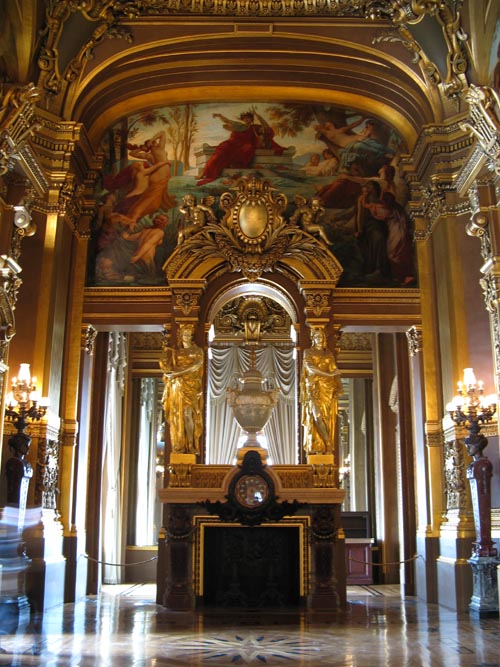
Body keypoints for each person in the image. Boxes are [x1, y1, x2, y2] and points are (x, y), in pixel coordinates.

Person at [197, 109, 285, 185]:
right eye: (245, 119)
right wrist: (219, 115)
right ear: (243, 119)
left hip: (242, 146)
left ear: (251, 120)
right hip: (232, 144)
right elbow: (228, 121)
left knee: (248, 148)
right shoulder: (239, 125)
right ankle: (204, 172)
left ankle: (229, 165)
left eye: (249, 118)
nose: (247, 120)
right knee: (220, 152)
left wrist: (258, 116)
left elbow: (266, 128)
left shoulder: (254, 128)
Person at [160, 324, 204, 455]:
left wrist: (178, 373)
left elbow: (196, 366)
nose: (187, 337)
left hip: (192, 386)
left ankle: (191, 445)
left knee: (189, 415)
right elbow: (166, 367)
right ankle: (180, 445)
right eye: (184, 334)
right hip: (178, 386)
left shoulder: (197, 350)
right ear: (180, 336)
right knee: (177, 415)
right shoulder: (176, 353)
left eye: (189, 335)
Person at [300, 326, 343, 455]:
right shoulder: (308, 352)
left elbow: (335, 372)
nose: (319, 339)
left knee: (327, 417)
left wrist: (340, 386)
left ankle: (326, 444)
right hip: (313, 387)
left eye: (321, 337)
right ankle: (327, 443)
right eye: (317, 337)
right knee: (316, 414)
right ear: (313, 339)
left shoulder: (328, 354)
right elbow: (310, 368)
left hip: (328, 388)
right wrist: (328, 375)